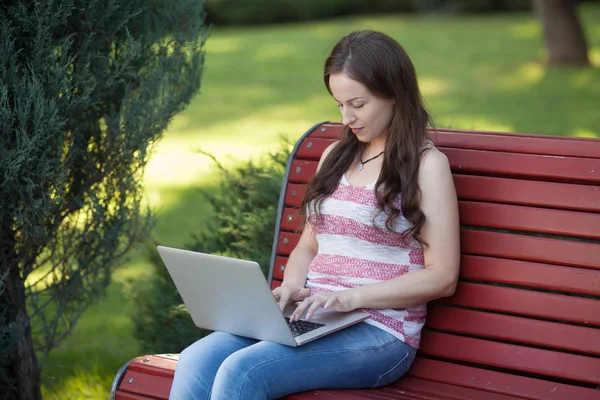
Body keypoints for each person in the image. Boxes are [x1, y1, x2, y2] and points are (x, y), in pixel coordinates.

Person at [168, 29, 460, 400]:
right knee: (197, 359)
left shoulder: (426, 165)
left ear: (395, 95)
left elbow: (443, 276)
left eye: (358, 103)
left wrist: (352, 298)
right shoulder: (335, 157)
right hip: (316, 317)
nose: (347, 117)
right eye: (339, 104)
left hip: (381, 331)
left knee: (244, 371)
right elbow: (308, 247)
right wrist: (291, 287)